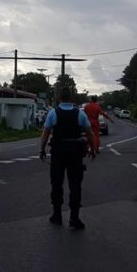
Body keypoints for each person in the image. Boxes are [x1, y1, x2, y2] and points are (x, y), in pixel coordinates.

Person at [39, 87, 96, 230]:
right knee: (75, 184)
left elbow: (45, 134)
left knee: (57, 183)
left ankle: (57, 215)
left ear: (59, 99)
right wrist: (93, 149)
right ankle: (74, 218)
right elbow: (89, 133)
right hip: (76, 153)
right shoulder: (80, 114)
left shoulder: (53, 113)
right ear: (71, 99)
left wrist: (42, 150)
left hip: (58, 152)